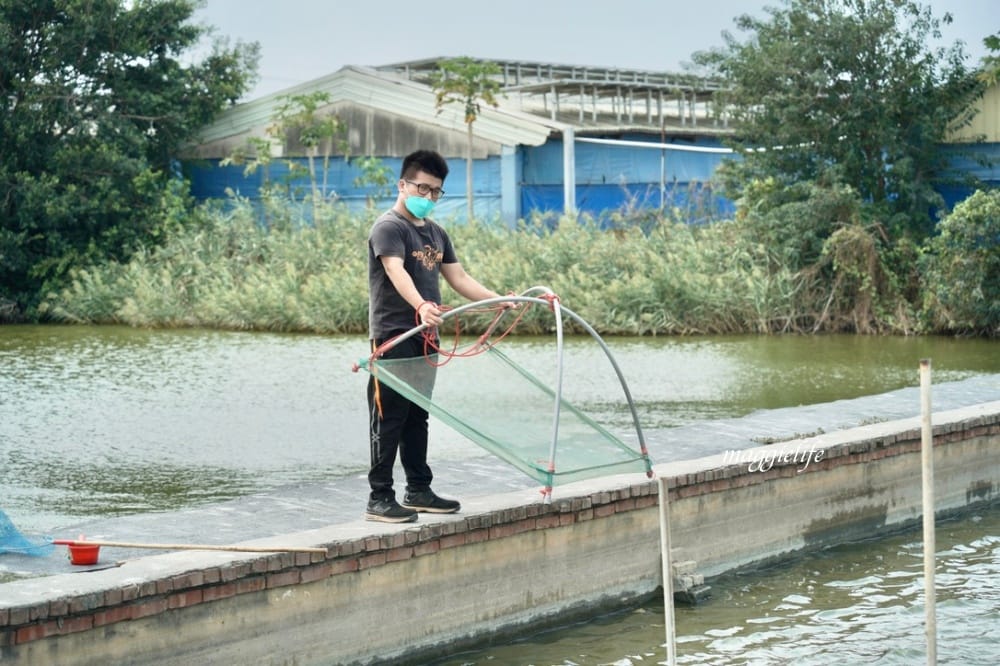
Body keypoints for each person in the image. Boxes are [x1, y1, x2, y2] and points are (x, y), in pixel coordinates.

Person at [365, 149, 505, 523]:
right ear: (403, 184)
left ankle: (418, 490)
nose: (427, 198)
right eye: (421, 189)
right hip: (395, 337)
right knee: (389, 417)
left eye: (435, 192)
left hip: (426, 340)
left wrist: (500, 301)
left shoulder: (436, 233)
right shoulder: (389, 227)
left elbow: (458, 279)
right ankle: (379, 498)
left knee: (417, 416)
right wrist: (422, 307)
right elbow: (397, 272)